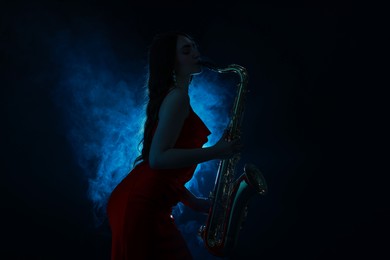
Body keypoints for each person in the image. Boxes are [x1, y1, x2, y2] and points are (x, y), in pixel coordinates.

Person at [106, 31, 243, 260]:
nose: (196, 54)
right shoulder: (177, 97)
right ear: (171, 61)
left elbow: (162, 170)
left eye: (195, 47)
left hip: (142, 202)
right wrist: (216, 152)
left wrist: (193, 202)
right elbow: (158, 160)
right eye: (186, 50)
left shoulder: (176, 96)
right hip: (141, 206)